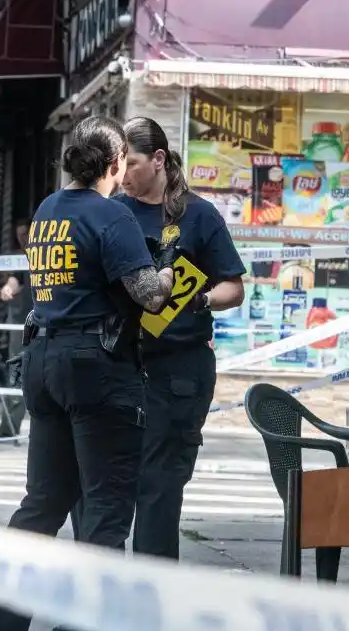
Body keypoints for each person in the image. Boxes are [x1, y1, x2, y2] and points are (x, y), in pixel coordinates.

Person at [0, 116, 177, 631]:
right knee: (107, 511)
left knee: (43, 503)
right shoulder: (111, 217)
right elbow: (148, 294)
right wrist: (168, 272)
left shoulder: (48, 211)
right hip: (97, 368)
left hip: (44, 363)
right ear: (114, 164)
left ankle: (1, 620)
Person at [118, 116, 247, 560]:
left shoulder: (197, 214)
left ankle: (151, 601)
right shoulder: (115, 211)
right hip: (120, 363)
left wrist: (200, 301)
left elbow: (235, 287)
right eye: (119, 165)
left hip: (178, 368)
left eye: (131, 164)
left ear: (158, 160)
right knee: (110, 484)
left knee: (159, 488)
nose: (124, 175)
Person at [0, 217, 32, 439]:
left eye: (26, 234)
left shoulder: (45, 254)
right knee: (16, 374)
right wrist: (8, 288)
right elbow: (15, 279)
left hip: (46, 323)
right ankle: (8, 428)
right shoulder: (21, 258)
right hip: (21, 326)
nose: (22, 239)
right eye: (19, 235)